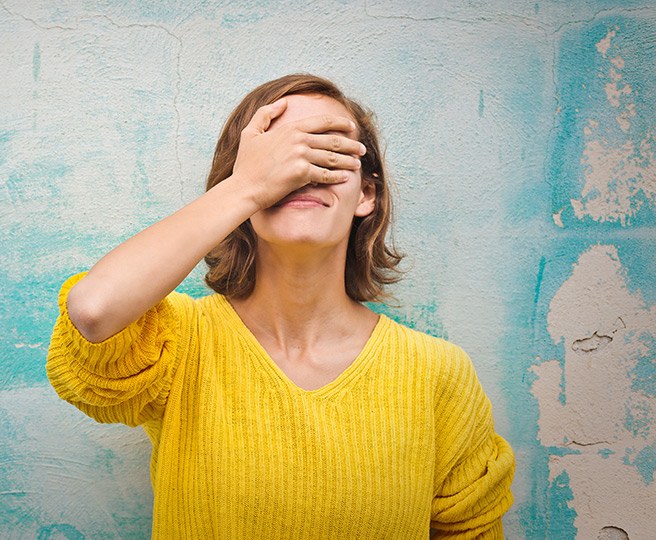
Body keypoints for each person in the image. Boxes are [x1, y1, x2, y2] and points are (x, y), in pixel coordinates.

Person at [47, 73, 515, 538]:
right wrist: (248, 187)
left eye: (328, 149)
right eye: (278, 152)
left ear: (366, 194)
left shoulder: (436, 373)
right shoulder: (179, 343)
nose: (302, 169)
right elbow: (94, 311)